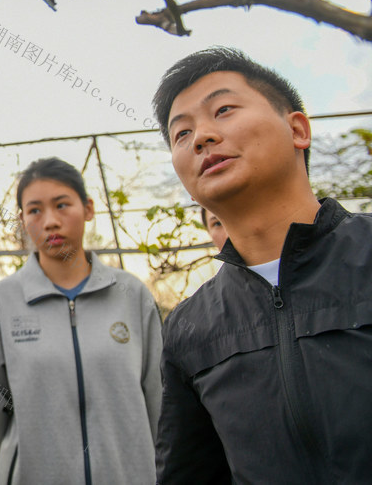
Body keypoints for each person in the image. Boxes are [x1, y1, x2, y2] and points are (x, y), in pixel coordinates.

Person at [152, 47, 372, 483]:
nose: (201, 137)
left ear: (298, 130)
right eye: (182, 134)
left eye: (224, 109)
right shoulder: (189, 328)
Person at [0, 158, 162, 484]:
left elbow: (158, 399)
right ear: (22, 219)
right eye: (35, 211)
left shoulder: (132, 295)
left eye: (62, 205)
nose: (50, 222)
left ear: (87, 208)